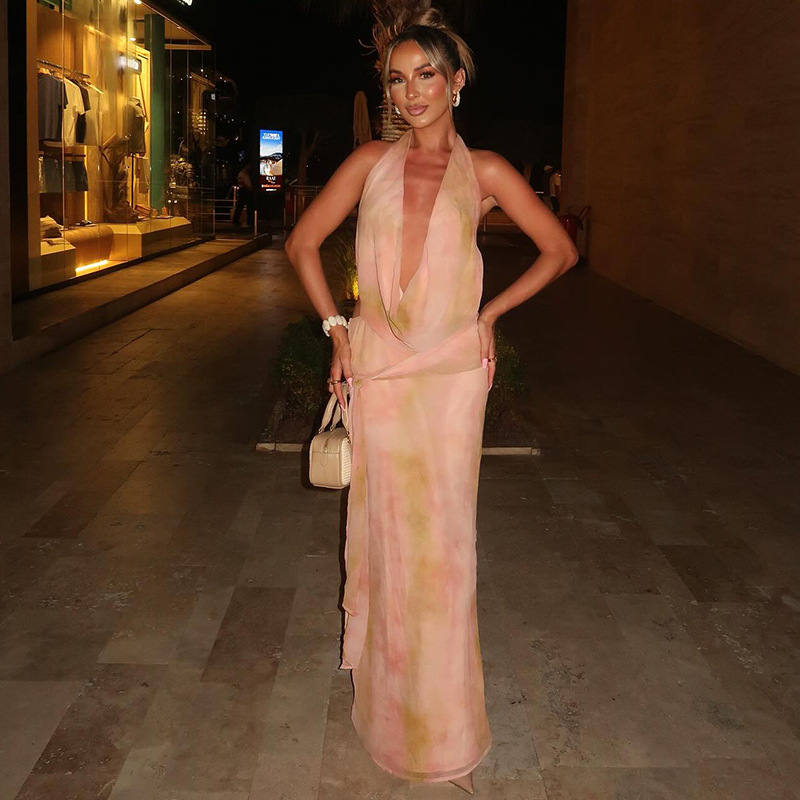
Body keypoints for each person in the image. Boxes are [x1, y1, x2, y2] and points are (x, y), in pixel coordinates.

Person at [285, 1, 578, 793]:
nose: (410, 92)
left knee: (444, 555)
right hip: (379, 373)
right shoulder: (367, 165)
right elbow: (302, 242)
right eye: (397, 79)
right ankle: (388, 716)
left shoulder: (487, 173)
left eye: (425, 76)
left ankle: (445, 732)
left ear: (455, 83)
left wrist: (490, 314)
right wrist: (337, 331)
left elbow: (559, 249)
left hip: (449, 381)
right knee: (387, 543)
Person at [232, 162, 254, 227]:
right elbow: (241, 182)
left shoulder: (247, 173)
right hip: (244, 191)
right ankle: (236, 220)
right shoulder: (241, 173)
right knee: (241, 206)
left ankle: (250, 221)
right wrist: (248, 187)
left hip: (247, 190)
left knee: (248, 206)